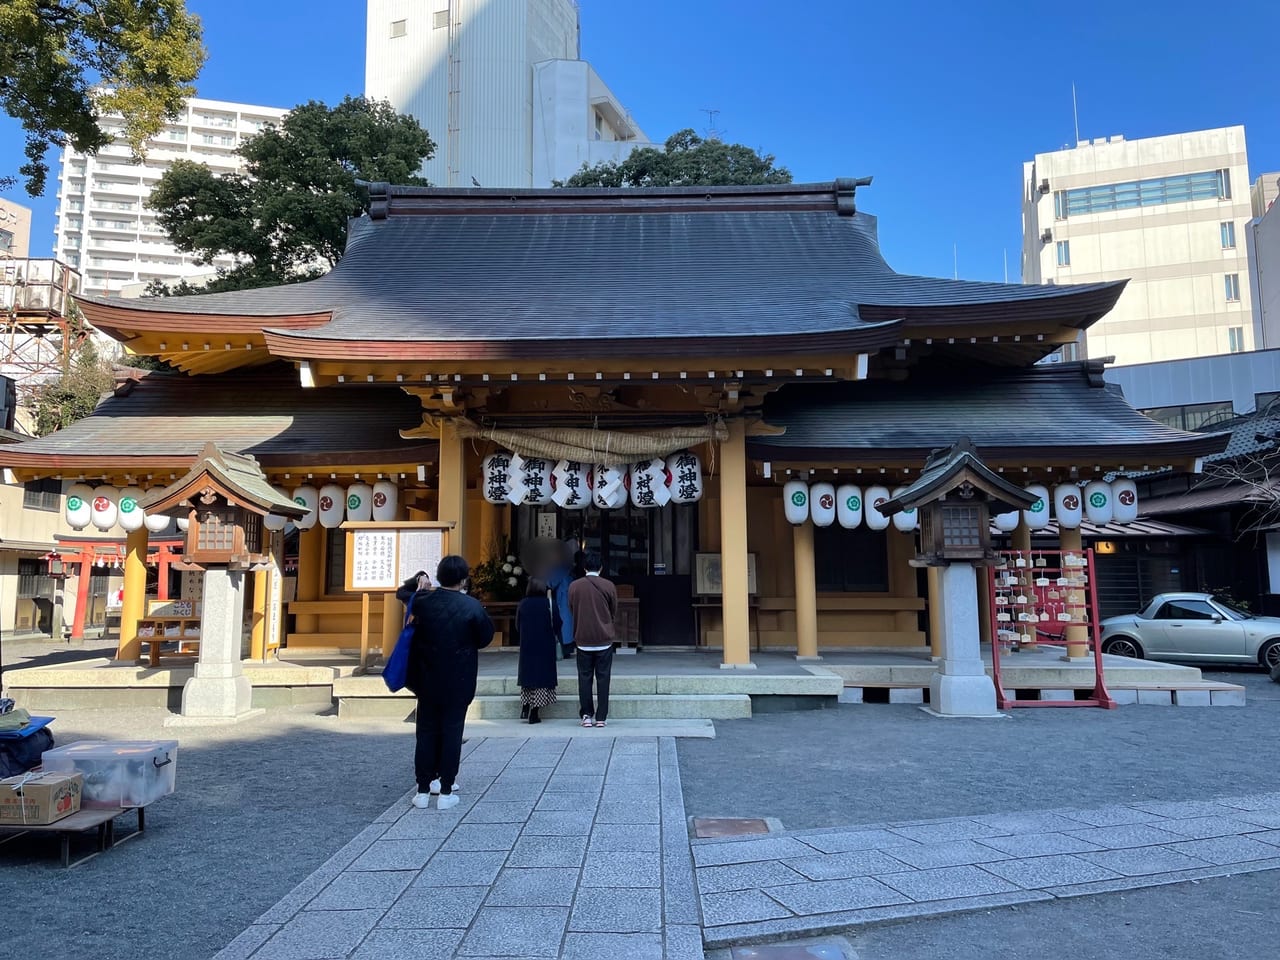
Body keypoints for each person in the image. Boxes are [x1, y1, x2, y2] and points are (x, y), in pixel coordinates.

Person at [405, 555, 494, 809]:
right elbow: (485, 637)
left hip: (427, 676)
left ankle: (422, 789)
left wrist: (418, 581)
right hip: (459, 676)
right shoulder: (472, 606)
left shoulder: (423, 602)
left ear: (439, 575)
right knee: (452, 732)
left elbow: (403, 593)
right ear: (464, 578)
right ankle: (446, 789)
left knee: (426, 731)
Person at [567, 550, 617, 728]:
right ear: (601, 567)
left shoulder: (574, 586)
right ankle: (601, 717)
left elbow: (572, 608)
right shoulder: (609, 586)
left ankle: (587, 715)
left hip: (583, 639)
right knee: (604, 679)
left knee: (584, 678)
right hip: (604, 639)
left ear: (584, 567)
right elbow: (613, 610)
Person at [516, 578, 558, 724]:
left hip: (527, 645)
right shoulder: (549, 603)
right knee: (541, 679)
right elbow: (557, 623)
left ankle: (525, 706)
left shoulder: (523, 604)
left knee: (528, 678)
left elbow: (517, 625)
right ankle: (534, 713)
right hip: (545, 646)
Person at [546, 539, 577, 660]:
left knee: (563, 624)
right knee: (567, 623)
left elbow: (551, 582)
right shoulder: (567, 565)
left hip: (562, 596)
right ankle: (567, 649)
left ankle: (563, 649)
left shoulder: (558, 567)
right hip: (567, 593)